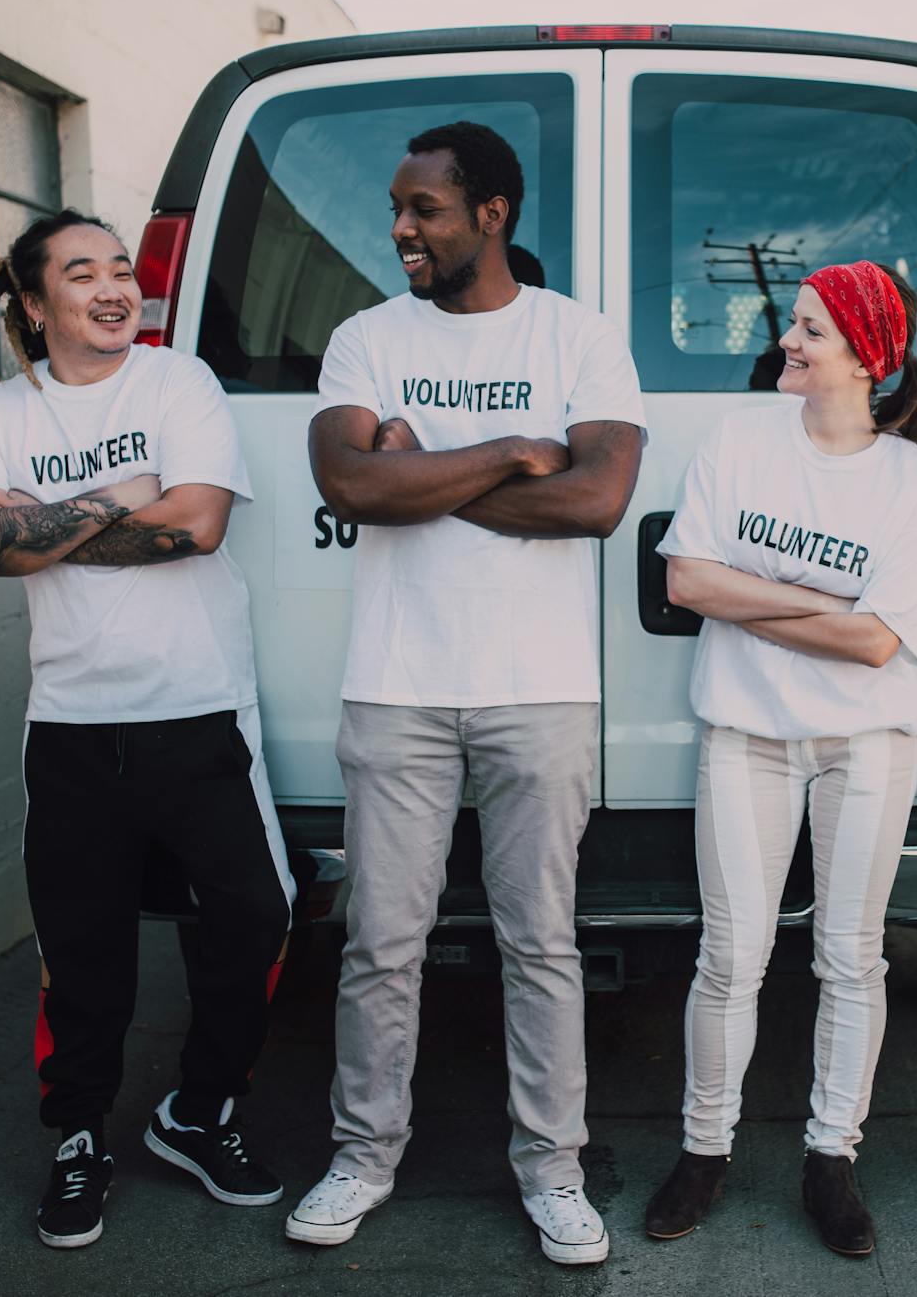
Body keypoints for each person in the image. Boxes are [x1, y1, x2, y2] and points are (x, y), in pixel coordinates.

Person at [286, 121, 645, 1266]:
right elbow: (348, 480)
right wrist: (504, 450)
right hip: (395, 687)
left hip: (538, 692)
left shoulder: (578, 337)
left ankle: (552, 1172)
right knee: (378, 944)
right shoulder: (363, 337)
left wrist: (419, 470)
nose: (398, 228)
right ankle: (361, 1157)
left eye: (422, 209)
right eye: (396, 208)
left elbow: (595, 503)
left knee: (539, 941)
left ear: (491, 213)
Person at [0, 211, 293, 1250]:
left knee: (253, 920)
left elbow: (197, 524)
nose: (112, 287)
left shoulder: (175, 382)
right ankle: (78, 1138)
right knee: (82, 947)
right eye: (81, 272)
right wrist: (123, 494)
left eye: (119, 269)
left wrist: (42, 521)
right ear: (36, 303)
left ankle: (199, 1111)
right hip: (72, 721)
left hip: (198, 706)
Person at [644, 261, 917, 1258]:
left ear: (865, 358)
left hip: (866, 745)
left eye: (811, 329)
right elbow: (687, 579)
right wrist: (829, 610)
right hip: (745, 735)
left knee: (849, 960)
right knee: (730, 959)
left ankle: (832, 1158)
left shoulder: (909, 480)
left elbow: (877, 648)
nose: (788, 339)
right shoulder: (741, 439)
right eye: (795, 323)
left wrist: (758, 591)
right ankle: (702, 1153)